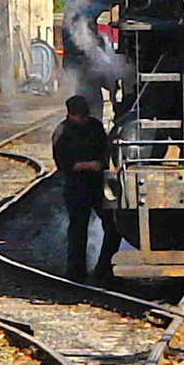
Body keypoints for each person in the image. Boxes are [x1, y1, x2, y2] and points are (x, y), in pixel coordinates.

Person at [52, 94, 122, 280]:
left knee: (113, 226)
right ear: (70, 114)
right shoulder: (62, 133)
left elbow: (105, 150)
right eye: (80, 116)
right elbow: (63, 164)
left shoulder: (95, 126)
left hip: (98, 184)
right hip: (76, 185)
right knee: (78, 229)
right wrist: (90, 165)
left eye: (85, 115)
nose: (83, 119)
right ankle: (76, 271)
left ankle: (104, 266)